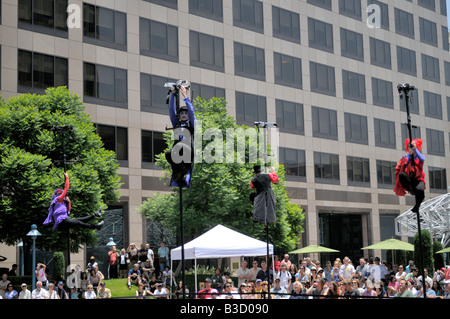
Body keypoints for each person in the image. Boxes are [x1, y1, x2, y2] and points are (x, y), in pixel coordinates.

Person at [165, 85, 196, 188]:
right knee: (169, 154)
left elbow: (191, 112)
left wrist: (185, 96)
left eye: (185, 113)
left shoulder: (191, 124)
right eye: (181, 113)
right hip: (178, 152)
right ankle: (179, 172)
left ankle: (183, 171)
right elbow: (171, 112)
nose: (183, 114)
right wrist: (173, 94)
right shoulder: (176, 124)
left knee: (181, 147)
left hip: (188, 151)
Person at [394, 139, 426, 213]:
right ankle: (411, 189)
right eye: (409, 147)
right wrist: (409, 154)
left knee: (421, 191)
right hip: (410, 180)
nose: (411, 148)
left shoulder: (419, 157)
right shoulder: (406, 158)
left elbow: (422, 158)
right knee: (401, 175)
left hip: (418, 180)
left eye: (413, 147)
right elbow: (404, 164)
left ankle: (417, 207)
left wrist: (415, 149)